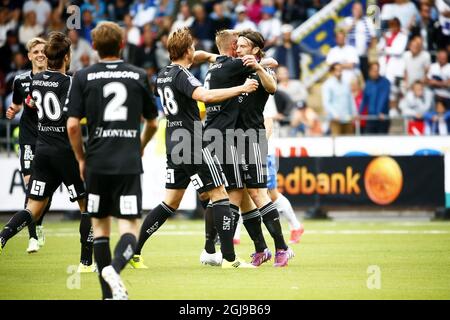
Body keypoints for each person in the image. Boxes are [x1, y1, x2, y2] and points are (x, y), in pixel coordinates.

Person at [132, 27, 258, 269]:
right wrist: (240, 88)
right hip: (192, 141)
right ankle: (230, 259)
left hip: (174, 140)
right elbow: (206, 96)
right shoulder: (183, 75)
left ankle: (134, 251)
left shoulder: (163, 74)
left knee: (170, 201)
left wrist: (211, 56)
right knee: (220, 195)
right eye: (191, 47)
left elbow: (198, 58)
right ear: (187, 50)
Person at [66, 21, 158, 300]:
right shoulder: (138, 74)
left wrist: (81, 158)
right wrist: (139, 146)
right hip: (128, 162)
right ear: (121, 45)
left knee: (101, 228)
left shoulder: (82, 76)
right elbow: (153, 122)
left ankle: (108, 293)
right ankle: (115, 271)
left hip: (96, 162)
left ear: (93, 46)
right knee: (130, 228)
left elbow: (71, 126)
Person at [0, 32, 94, 274]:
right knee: (87, 206)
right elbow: (70, 118)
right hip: (64, 152)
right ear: (65, 57)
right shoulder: (70, 82)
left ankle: (3, 236)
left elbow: (30, 103)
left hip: (42, 150)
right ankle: (86, 262)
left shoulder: (37, 80)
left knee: (33, 206)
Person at [234, 30, 294, 267]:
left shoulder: (262, 72)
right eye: (236, 45)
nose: (237, 49)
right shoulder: (234, 68)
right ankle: (261, 249)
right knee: (242, 198)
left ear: (255, 49)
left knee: (259, 193)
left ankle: (282, 247)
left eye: (242, 46)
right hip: (231, 139)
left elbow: (272, 87)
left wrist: (259, 67)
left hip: (252, 137)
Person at [6, 37, 48, 253]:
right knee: (32, 186)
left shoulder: (57, 79)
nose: (41, 54)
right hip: (29, 139)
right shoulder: (20, 81)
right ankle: (32, 237)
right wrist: (13, 110)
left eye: (44, 51)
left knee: (45, 190)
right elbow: (15, 104)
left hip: (51, 139)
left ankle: (38, 224)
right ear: (30, 56)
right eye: (37, 51)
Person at [322, 63, 357, 135]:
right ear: (332, 72)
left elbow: (350, 99)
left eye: (340, 70)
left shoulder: (346, 83)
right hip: (335, 119)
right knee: (337, 143)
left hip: (347, 118)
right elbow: (327, 103)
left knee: (349, 142)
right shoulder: (328, 85)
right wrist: (335, 114)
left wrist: (354, 113)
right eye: (336, 70)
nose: (339, 72)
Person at [360, 62, 391, 134]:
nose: (376, 73)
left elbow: (383, 98)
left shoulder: (385, 82)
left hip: (382, 117)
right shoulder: (368, 83)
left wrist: (379, 112)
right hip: (371, 118)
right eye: (374, 71)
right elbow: (365, 100)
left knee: (381, 141)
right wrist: (359, 113)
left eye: (377, 70)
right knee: (368, 139)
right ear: (369, 71)